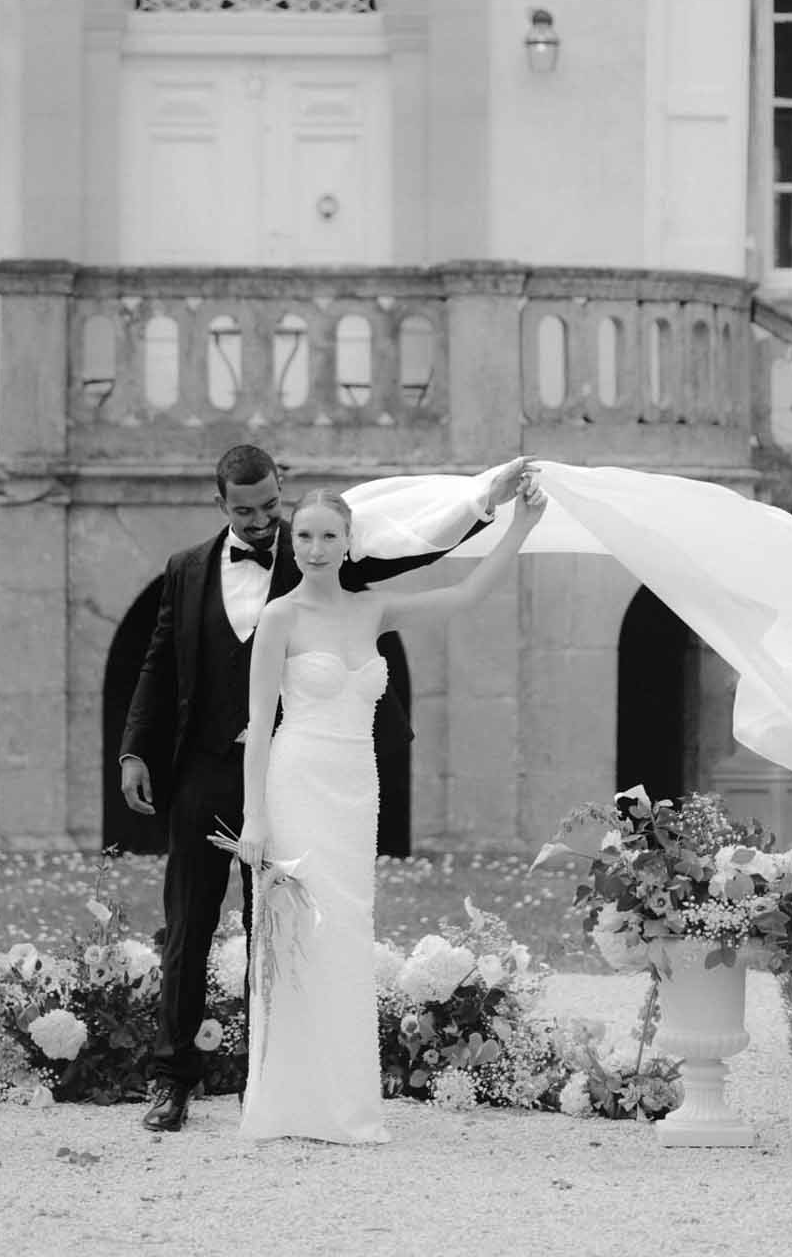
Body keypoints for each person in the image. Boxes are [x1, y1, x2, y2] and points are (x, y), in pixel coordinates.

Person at [119, 442, 530, 1134]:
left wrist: (493, 501)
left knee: (282, 931)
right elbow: (160, 661)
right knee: (188, 925)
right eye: (244, 511)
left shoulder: (327, 554)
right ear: (220, 505)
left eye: (270, 507)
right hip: (210, 769)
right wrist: (136, 748)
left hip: (320, 778)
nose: (265, 524)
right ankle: (171, 1078)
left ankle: (272, 1077)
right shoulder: (187, 569)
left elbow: (422, 548)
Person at [236, 468, 547, 1145]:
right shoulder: (279, 617)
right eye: (307, 535)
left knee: (346, 936)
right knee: (296, 936)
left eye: (330, 535)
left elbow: (465, 595)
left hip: (355, 783)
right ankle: (284, 1103)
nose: (317, 547)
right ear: (293, 544)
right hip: (296, 780)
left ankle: (346, 1109)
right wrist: (254, 817)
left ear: (350, 543)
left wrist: (519, 526)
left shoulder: (372, 608)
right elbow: (259, 726)